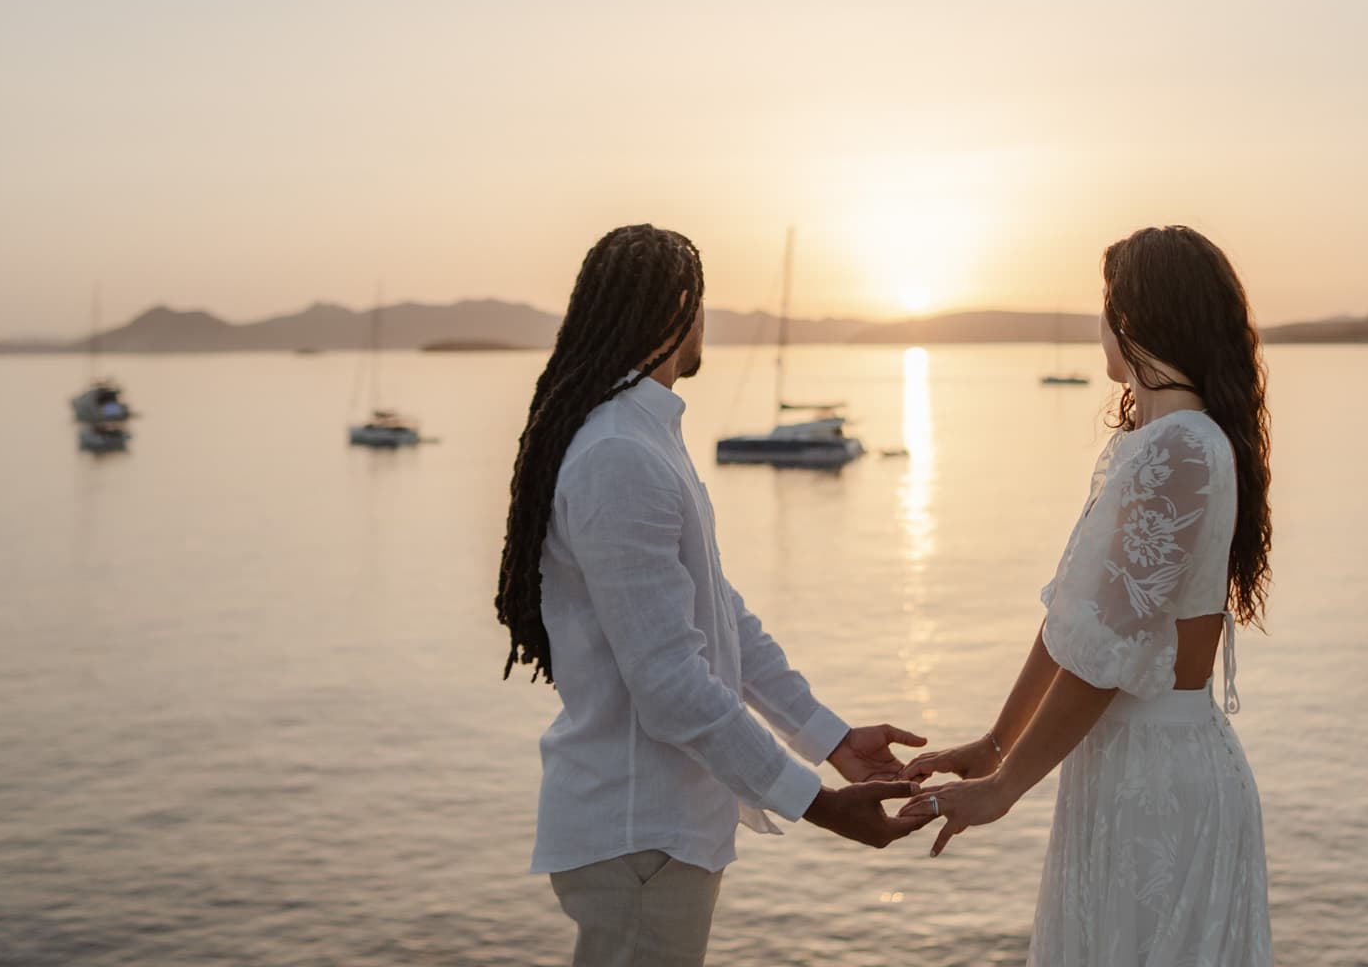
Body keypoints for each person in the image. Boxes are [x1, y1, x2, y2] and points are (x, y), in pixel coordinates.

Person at [494, 223, 933, 966]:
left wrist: (828, 739)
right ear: (678, 310)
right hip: (639, 835)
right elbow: (669, 686)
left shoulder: (645, 438)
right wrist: (816, 803)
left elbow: (719, 615)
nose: (708, 326)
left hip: (659, 836)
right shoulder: (619, 454)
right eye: (702, 306)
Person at [909, 225, 1275, 965]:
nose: (1098, 326)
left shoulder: (1180, 449)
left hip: (1157, 778)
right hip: (1126, 765)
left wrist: (1007, 786)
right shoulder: (1159, 442)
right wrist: (994, 743)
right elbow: (1074, 625)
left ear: (1136, 318)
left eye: (1105, 305)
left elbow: (1110, 656)